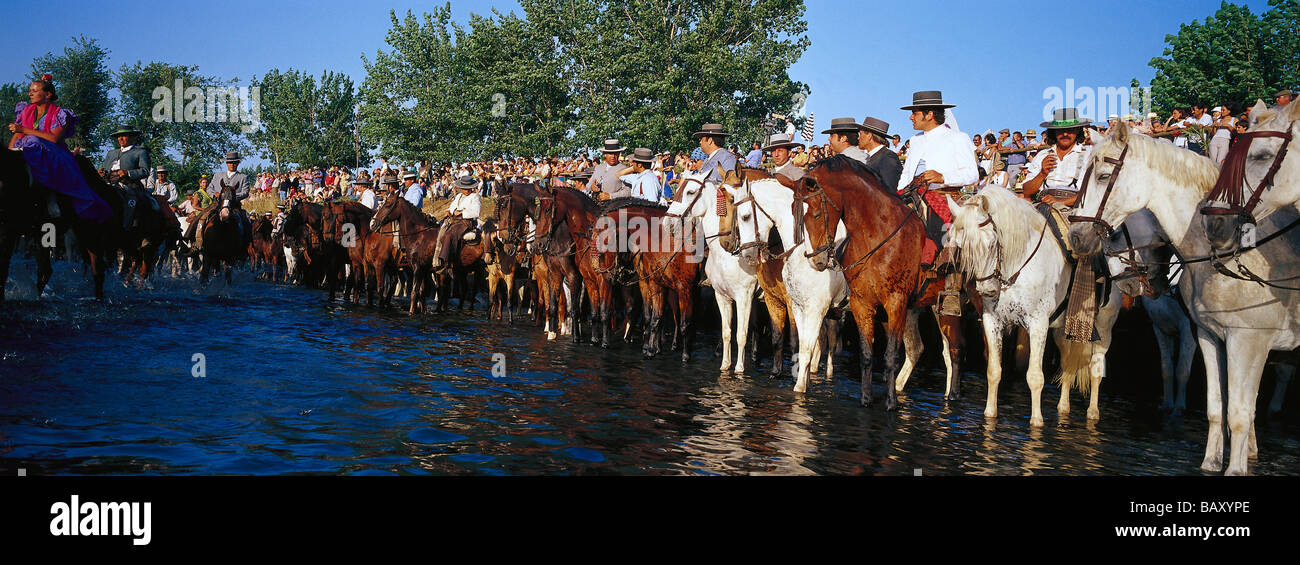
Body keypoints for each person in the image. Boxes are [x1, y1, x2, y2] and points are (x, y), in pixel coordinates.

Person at [896, 90, 977, 315]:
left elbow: (972, 174)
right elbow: (906, 175)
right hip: (912, 196)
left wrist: (943, 177)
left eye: (914, 113)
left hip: (944, 196)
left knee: (947, 237)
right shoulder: (915, 141)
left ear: (929, 114)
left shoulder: (957, 138)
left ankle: (951, 285)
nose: (911, 117)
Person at [6, 76, 113, 223]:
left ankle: (50, 195)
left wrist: (24, 129)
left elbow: (53, 139)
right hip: (27, 149)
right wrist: (9, 152)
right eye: (30, 91)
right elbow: (17, 136)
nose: (30, 94)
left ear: (47, 94)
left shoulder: (60, 114)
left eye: (34, 91)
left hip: (54, 152)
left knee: (33, 141)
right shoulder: (26, 111)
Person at [1022, 108, 1092, 213]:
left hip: (1076, 211)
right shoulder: (1043, 154)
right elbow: (1027, 191)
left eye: (1070, 130)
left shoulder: (1089, 154)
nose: (1065, 134)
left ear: (1077, 130)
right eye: (1060, 130)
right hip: (1042, 208)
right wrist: (1042, 173)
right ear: (1054, 132)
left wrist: (1060, 202)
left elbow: (1093, 192)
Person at [101, 125, 157, 229]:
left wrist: (128, 173)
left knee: (131, 201)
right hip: (110, 183)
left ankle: (128, 228)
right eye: (119, 136)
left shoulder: (140, 152)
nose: (120, 139)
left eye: (124, 136)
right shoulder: (111, 153)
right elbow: (105, 169)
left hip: (130, 185)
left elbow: (145, 171)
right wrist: (102, 173)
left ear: (132, 137)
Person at [193, 151, 251, 249]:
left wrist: (230, 196)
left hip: (234, 206)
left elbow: (245, 192)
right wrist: (214, 194)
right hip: (216, 204)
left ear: (237, 164)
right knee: (201, 218)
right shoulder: (217, 175)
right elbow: (209, 188)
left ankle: (246, 247)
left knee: (247, 222)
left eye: (234, 163)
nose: (232, 165)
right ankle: (195, 243)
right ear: (226, 163)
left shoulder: (243, 177)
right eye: (230, 163)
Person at [434, 176, 482, 268]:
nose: (467, 190)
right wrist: (449, 211)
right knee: (438, 230)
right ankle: (436, 257)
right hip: (455, 220)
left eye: (468, 188)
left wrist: (461, 212)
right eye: (465, 189)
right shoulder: (459, 196)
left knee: (450, 234)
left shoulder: (475, 197)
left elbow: (476, 212)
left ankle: (445, 260)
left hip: (466, 222)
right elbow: (453, 206)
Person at [855, 117, 901, 192]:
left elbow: (890, 191)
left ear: (869, 136)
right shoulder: (871, 157)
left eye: (860, 134)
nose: (858, 138)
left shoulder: (887, 157)